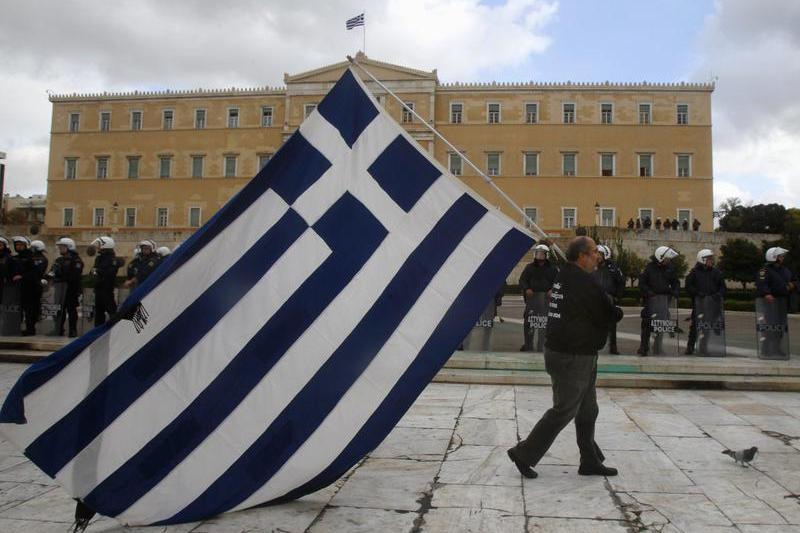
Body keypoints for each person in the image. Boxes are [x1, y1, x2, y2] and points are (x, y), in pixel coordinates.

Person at [507, 237, 622, 479]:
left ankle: (589, 460)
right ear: (582, 256)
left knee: (588, 409)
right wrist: (616, 310)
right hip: (572, 354)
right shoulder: (580, 281)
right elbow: (606, 312)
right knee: (564, 409)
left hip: (580, 352)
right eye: (593, 253)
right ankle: (524, 453)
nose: (598, 257)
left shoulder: (565, 275)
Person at [637, 246, 680, 356]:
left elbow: (676, 282)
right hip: (651, 301)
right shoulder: (649, 268)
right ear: (660, 257)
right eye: (667, 258)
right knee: (647, 324)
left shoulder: (670, 268)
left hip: (664, 301)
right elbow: (642, 284)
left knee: (661, 325)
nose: (668, 260)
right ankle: (644, 347)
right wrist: (649, 293)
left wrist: (675, 291)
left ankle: (657, 347)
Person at [756, 247, 796, 356]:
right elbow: (762, 284)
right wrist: (767, 293)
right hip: (770, 304)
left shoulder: (785, 270)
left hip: (782, 303)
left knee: (780, 327)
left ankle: (777, 349)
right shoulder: (764, 271)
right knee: (769, 327)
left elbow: (793, 280)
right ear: (774, 257)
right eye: (780, 256)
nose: (783, 258)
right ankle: (766, 349)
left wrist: (793, 285)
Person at [518, 244, 558, 352]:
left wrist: (552, 290)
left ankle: (542, 346)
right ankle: (528, 345)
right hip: (532, 301)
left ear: (547, 255)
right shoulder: (529, 267)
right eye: (537, 253)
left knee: (543, 326)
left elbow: (558, 282)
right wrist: (527, 289)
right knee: (529, 324)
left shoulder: (553, 269)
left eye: (541, 253)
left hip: (546, 301)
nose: (539, 255)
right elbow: (522, 280)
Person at [684, 249, 725, 355]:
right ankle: (690, 347)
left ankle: (703, 348)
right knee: (694, 327)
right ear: (702, 259)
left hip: (712, 305)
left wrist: (718, 295)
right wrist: (697, 293)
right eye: (709, 259)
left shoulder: (716, 272)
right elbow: (688, 286)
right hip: (699, 305)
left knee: (706, 327)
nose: (712, 261)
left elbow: (723, 287)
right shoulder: (694, 272)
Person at [10, 236, 48, 336]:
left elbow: (36, 272)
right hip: (17, 288)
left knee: (30, 311)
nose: (18, 247)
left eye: (20, 245)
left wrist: (22, 277)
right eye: (17, 245)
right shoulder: (15, 258)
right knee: (18, 309)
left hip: (31, 288)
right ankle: (15, 328)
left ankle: (30, 329)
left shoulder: (32, 257)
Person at [592, 245, 625, 354]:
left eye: (599, 254)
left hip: (609, 299)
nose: (597, 256)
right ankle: (592, 345)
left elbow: (621, 282)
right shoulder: (592, 267)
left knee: (611, 324)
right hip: (595, 300)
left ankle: (613, 347)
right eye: (596, 254)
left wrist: (617, 297)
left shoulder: (613, 268)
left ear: (605, 255)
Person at [48, 237, 84, 337]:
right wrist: (49, 277)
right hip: (60, 288)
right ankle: (58, 329)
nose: (60, 249)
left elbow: (74, 275)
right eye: (59, 247)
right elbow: (52, 271)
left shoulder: (76, 260)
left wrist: (61, 276)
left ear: (69, 247)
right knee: (59, 310)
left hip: (71, 289)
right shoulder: (58, 260)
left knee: (71, 310)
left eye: (62, 247)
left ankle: (73, 330)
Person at [91, 236, 119, 327]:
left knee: (111, 310)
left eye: (99, 244)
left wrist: (98, 271)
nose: (98, 246)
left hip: (106, 288)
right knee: (98, 312)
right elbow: (93, 271)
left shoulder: (112, 259)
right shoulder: (99, 258)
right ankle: (97, 331)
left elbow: (109, 273)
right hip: (98, 288)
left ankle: (115, 329)